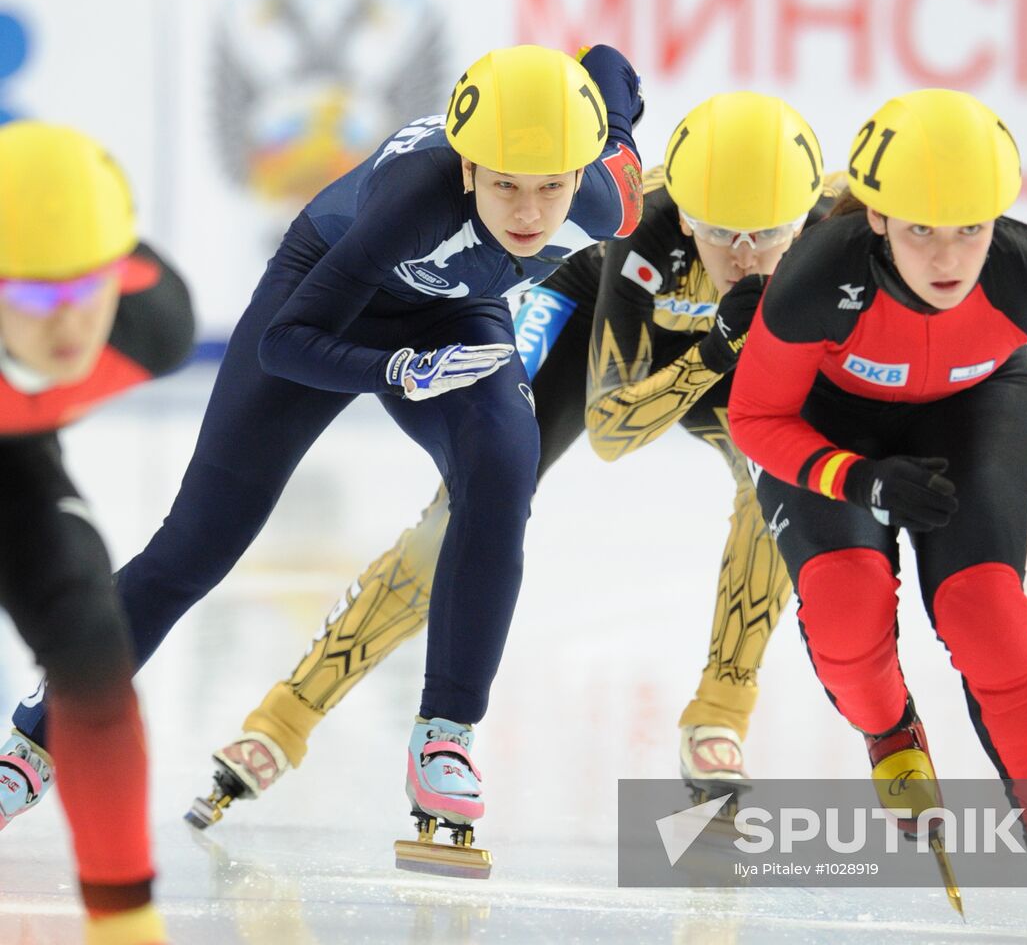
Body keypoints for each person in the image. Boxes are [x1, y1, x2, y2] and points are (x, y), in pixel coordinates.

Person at [2, 44, 644, 878]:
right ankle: (35, 743)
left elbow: (614, 80)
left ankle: (444, 736)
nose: (530, 212)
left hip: (457, 310)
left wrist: (599, 87)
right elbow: (287, 342)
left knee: (502, 471)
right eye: (506, 186)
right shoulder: (414, 198)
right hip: (327, 302)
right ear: (467, 171)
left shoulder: (606, 194)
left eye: (551, 186)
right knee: (199, 543)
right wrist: (397, 371)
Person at [162, 93, 836, 826]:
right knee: (468, 510)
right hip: (588, 324)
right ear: (685, 211)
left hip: (723, 352)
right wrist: (715, 349)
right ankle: (284, 718)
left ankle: (720, 715)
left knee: (777, 483)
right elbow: (614, 426)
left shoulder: (838, 225)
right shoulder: (648, 224)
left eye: (767, 235)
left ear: (806, 215)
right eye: (715, 232)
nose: (741, 257)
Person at [728, 88, 1027, 945]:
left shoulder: (1026, 274)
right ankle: (889, 730)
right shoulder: (816, 277)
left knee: (988, 617)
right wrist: (861, 480)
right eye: (921, 229)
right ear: (876, 218)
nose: (949, 257)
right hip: (831, 424)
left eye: (970, 228)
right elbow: (757, 420)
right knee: (847, 611)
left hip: (971, 409)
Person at [0, 122, 202, 945]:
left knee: (92, 648)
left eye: (90, 284)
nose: (72, 320)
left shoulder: (151, 323)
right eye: (38, 297)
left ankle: (127, 939)